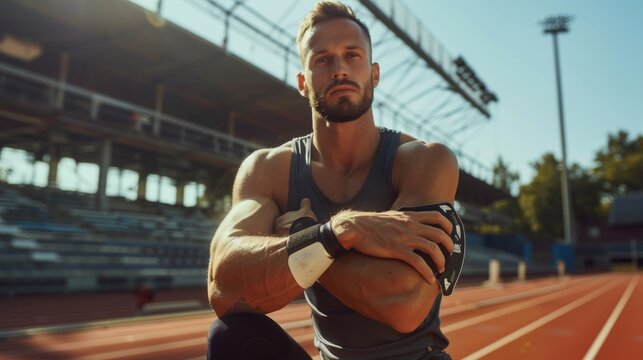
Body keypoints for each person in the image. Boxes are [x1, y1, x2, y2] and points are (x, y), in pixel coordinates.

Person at [206, 2, 459, 359]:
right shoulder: (268, 168)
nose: (339, 69)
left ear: (374, 74)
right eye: (322, 59)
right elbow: (224, 285)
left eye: (352, 56)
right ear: (302, 83)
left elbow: (404, 303)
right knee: (231, 335)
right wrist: (338, 232)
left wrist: (301, 235)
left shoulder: (423, 160)